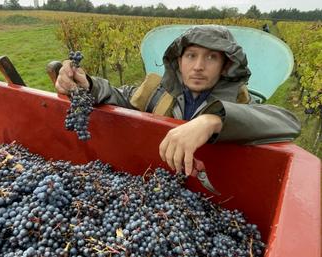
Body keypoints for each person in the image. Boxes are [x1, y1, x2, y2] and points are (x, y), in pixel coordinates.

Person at [55, 25, 300, 176]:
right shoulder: (157, 92)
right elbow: (119, 96)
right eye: (191, 55)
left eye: (211, 57)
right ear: (178, 61)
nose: (198, 67)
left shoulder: (240, 103)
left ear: (226, 66)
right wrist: (87, 83)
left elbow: (288, 122)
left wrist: (213, 120)